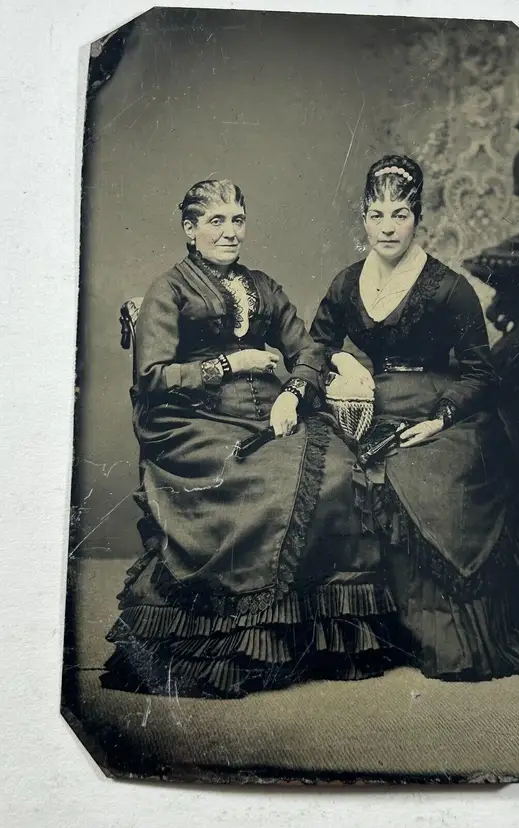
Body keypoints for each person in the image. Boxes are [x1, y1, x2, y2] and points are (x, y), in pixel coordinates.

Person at [100, 179, 397, 700]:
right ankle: (247, 645)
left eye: (237, 220)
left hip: (268, 416)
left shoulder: (261, 284)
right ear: (191, 231)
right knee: (272, 484)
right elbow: (152, 376)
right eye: (216, 222)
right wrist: (229, 363)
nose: (230, 232)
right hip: (192, 426)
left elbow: (307, 346)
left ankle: (312, 642)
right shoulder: (169, 289)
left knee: (336, 471)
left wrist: (293, 393)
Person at [310, 155, 519, 681]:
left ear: (418, 217)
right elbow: (317, 342)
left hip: (442, 409)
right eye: (378, 214)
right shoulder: (347, 283)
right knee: (323, 469)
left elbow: (481, 375)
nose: (388, 226)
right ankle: (363, 638)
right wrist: (337, 363)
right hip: (371, 403)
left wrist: (441, 418)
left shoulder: (449, 288)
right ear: (363, 216)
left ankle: (433, 637)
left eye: (401, 214)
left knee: (417, 478)